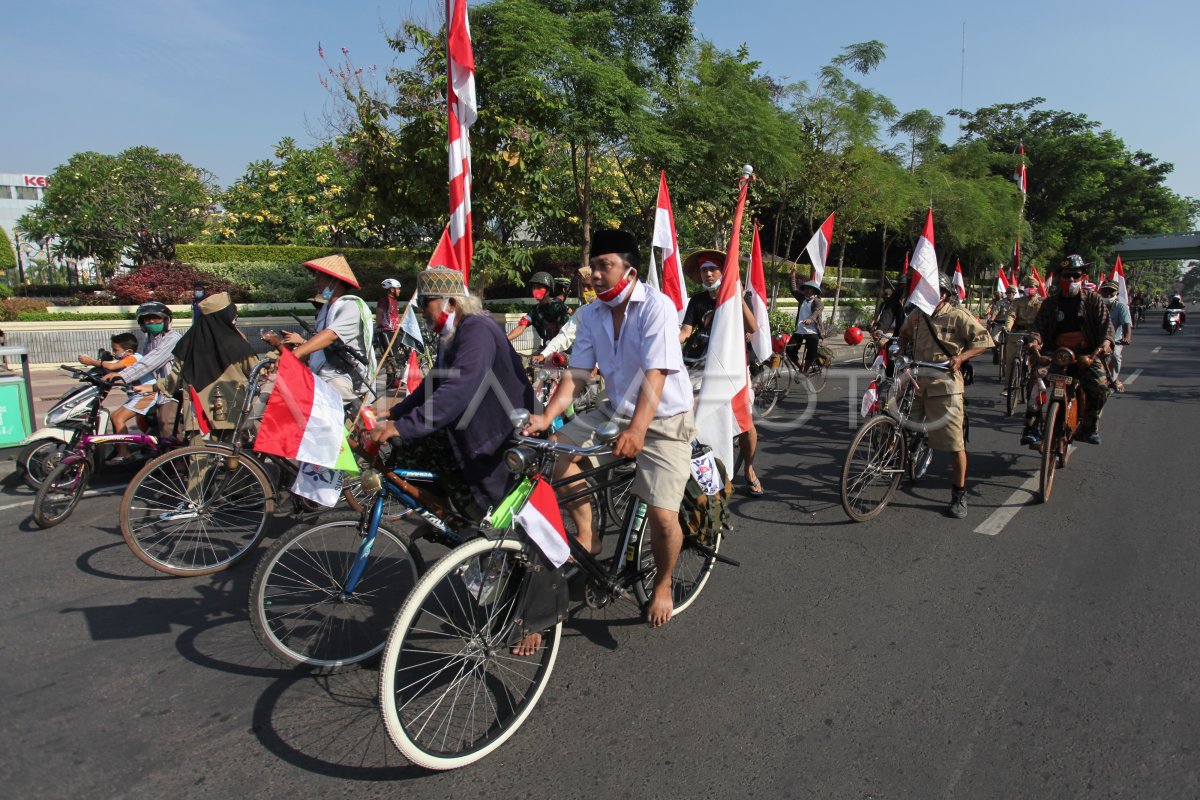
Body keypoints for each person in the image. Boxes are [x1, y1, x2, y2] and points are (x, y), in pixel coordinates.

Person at [526, 228, 695, 630]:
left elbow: (656, 373)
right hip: (615, 410)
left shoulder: (657, 307)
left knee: (662, 516)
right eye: (594, 268)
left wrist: (638, 431)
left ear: (630, 270)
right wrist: (546, 419)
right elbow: (578, 374)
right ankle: (589, 535)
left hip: (665, 418)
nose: (596, 275)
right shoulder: (591, 314)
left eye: (605, 266)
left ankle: (665, 582)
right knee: (554, 454)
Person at [369, 265, 536, 521]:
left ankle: (473, 528)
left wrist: (405, 426)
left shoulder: (476, 329)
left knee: (499, 519)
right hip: (470, 429)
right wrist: (391, 413)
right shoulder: (450, 335)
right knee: (409, 450)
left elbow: (460, 387)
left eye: (426, 302)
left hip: (499, 433)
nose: (421, 310)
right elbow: (433, 384)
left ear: (451, 304)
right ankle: (443, 515)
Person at [896, 273, 992, 519]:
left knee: (954, 443)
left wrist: (960, 358)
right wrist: (902, 348)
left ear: (945, 293)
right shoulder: (917, 315)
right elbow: (903, 333)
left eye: (933, 290)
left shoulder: (959, 315)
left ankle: (959, 494)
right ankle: (891, 464)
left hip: (945, 384)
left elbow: (985, 341)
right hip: (916, 381)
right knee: (896, 421)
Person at [679, 249, 762, 496]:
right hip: (700, 365)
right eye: (704, 270)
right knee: (688, 412)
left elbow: (752, 327)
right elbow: (685, 330)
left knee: (745, 422)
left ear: (723, 272)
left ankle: (749, 468)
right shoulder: (697, 301)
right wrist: (670, 342)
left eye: (712, 269)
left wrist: (735, 293)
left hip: (732, 367)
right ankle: (699, 468)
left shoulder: (737, 297)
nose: (707, 274)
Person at [1021, 255, 1114, 447]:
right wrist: (1034, 344)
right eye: (1066, 275)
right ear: (1059, 277)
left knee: (1100, 387)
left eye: (1075, 275)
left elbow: (1107, 330)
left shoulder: (1093, 301)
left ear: (1082, 277)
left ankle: (1088, 426)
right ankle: (1032, 428)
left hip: (1086, 355)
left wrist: (1102, 347)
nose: (1071, 280)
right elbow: (1037, 328)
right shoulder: (1049, 304)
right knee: (1035, 382)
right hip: (1055, 354)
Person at [141, 292, 258, 438]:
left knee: (199, 456)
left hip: (197, 414)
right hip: (232, 411)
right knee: (234, 456)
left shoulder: (187, 343)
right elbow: (257, 372)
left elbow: (175, 379)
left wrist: (154, 386)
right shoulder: (237, 343)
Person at [265, 255, 375, 402]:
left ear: (335, 280)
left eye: (320, 277)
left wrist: (295, 354)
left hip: (342, 375)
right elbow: (316, 348)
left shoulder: (351, 305)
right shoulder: (325, 310)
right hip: (321, 373)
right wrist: (288, 361)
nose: (316, 282)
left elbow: (331, 335)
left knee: (322, 415)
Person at [105, 302, 182, 459]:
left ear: (166, 320)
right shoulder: (151, 339)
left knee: (167, 427)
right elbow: (141, 361)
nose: (152, 323)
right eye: (147, 320)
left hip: (171, 391)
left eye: (156, 319)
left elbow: (150, 362)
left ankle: (178, 464)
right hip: (155, 390)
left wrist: (123, 375)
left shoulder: (173, 338)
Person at [82, 333, 149, 463]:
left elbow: (112, 367)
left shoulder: (134, 358)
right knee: (115, 417)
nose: (114, 353)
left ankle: (124, 453)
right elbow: (113, 368)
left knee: (118, 418)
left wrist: (91, 361)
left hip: (146, 394)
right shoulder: (126, 359)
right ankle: (120, 448)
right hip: (138, 395)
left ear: (128, 351)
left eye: (116, 350)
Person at [786, 266, 825, 371]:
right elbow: (793, 289)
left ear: (813, 291)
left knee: (812, 350)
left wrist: (810, 319)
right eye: (805, 288)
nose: (806, 290)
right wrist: (793, 274)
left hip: (812, 331)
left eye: (809, 289)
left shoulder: (818, 302)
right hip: (800, 330)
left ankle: (805, 371)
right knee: (789, 349)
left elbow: (817, 312)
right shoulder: (802, 298)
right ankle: (800, 366)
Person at [506, 271, 559, 344]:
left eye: (539, 287)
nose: (535, 290)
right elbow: (521, 327)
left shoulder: (558, 306)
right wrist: (504, 340)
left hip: (562, 348)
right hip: (545, 347)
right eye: (534, 287)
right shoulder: (535, 310)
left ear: (549, 289)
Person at [1098, 280, 1131, 392]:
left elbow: (1126, 324)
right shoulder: (1095, 305)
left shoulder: (1121, 307)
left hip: (1115, 340)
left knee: (1115, 356)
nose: (1107, 294)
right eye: (1105, 291)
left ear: (1116, 293)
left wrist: (1126, 337)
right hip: (1097, 338)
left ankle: (1113, 379)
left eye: (1111, 291)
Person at [986, 285, 1017, 364]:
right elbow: (995, 312)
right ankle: (995, 354)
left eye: (1012, 293)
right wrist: (992, 319)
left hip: (1012, 325)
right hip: (999, 324)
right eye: (1008, 292)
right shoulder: (1001, 302)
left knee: (1015, 342)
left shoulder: (1017, 303)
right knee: (992, 340)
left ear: (1015, 293)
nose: (1010, 294)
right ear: (1006, 293)